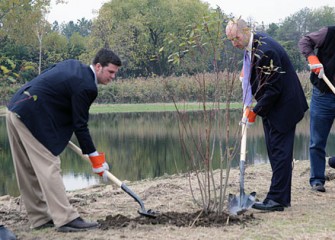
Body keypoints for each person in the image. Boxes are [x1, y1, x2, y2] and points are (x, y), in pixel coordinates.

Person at [6, 48, 122, 232]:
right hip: (31, 116)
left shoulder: (73, 65)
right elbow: (80, 124)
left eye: (115, 73)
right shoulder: (87, 86)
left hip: (16, 108)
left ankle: (40, 218)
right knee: (49, 165)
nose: (113, 76)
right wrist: (95, 158)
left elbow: (53, 94)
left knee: (27, 169)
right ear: (98, 66)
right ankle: (66, 218)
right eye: (111, 72)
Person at [226, 18, 308, 211]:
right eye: (230, 40)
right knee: (275, 152)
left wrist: (254, 111)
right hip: (273, 106)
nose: (234, 43)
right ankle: (281, 197)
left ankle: (277, 200)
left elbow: (273, 89)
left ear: (245, 31)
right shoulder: (255, 45)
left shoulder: (265, 50)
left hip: (284, 106)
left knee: (280, 153)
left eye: (236, 38)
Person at [298, 26, 335, 193]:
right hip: (323, 94)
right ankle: (317, 180)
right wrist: (312, 58)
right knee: (317, 141)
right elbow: (305, 41)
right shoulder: (329, 33)